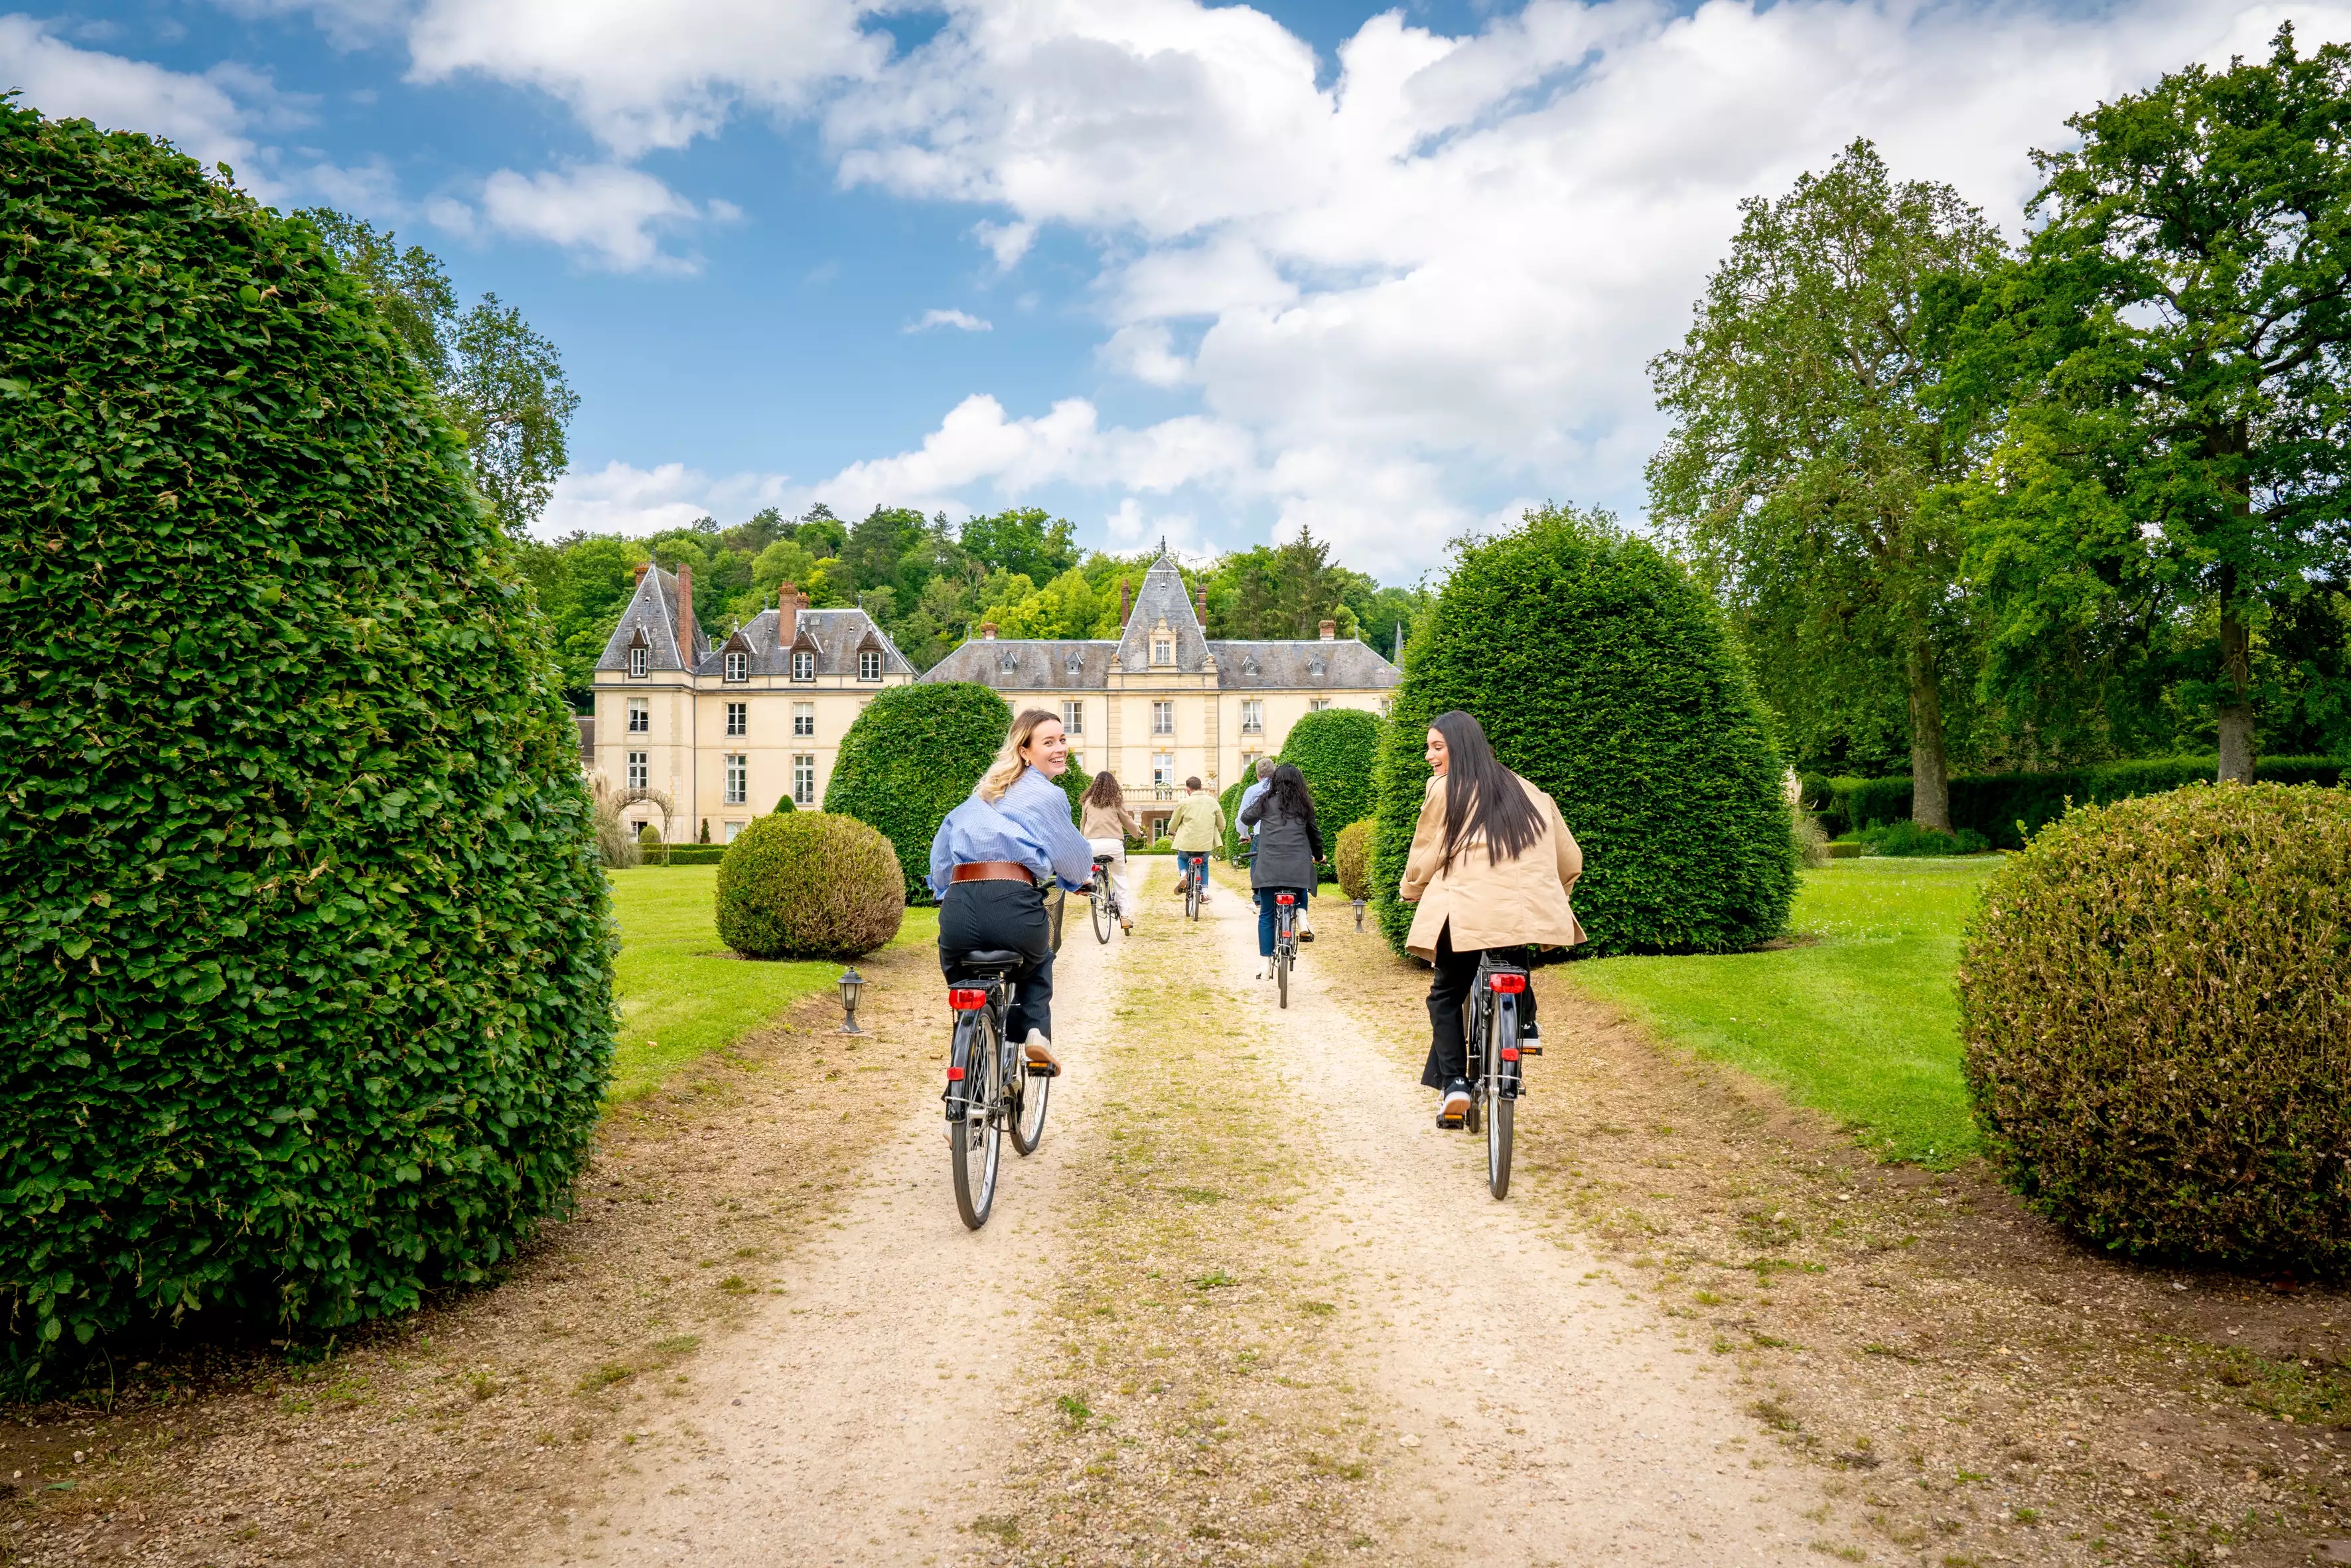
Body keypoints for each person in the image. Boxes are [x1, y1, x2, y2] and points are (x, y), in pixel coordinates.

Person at [1397, 710, 1586, 1128]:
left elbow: (1428, 853)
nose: (1429, 756)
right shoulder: (1530, 791)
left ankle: (1455, 1085)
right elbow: (1570, 860)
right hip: (1522, 909)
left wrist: (1410, 889)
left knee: (1445, 994)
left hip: (1464, 908)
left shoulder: (1448, 789)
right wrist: (1554, 895)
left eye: (1437, 747)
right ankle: (1526, 1021)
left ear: (1459, 747)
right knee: (1512, 950)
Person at [928, 709, 1096, 1073]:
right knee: (1039, 963)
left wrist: (942, 890)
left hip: (959, 909)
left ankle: (969, 1072)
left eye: (1062, 739)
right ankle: (1035, 1034)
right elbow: (1075, 860)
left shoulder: (980, 796)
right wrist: (1076, 879)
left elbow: (942, 855)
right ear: (1025, 750)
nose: (1060, 748)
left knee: (961, 979)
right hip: (1013, 905)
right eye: (1048, 742)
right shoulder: (1047, 795)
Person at [1239, 762, 1322, 979]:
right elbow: (1314, 834)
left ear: (1275, 781)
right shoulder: (1305, 806)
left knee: (1267, 914)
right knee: (1300, 877)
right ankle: (1302, 916)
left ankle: (1265, 963)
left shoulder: (1266, 802)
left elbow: (1246, 818)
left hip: (1269, 867)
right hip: (1297, 866)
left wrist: (1261, 799)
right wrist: (1319, 855)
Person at [1079, 770, 1142, 934]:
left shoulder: (1088, 801)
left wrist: (1082, 842)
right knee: (1120, 878)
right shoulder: (1115, 801)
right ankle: (1125, 915)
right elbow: (1127, 821)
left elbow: (1083, 824)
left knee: (1091, 869)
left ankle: (1096, 889)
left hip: (1091, 845)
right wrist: (1138, 833)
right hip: (1113, 845)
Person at [1165, 776, 1223, 904]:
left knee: (1182, 858)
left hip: (1186, 843)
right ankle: (1205, 893)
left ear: (1188, 790)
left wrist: (1171, 831)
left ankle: (1184, 875)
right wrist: (1216, 834)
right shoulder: (1213, 802)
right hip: (1205, 844)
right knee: (1204, 864)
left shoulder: (1184, 803)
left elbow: (1173, 823)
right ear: (1201, 787)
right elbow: (1222, 824)